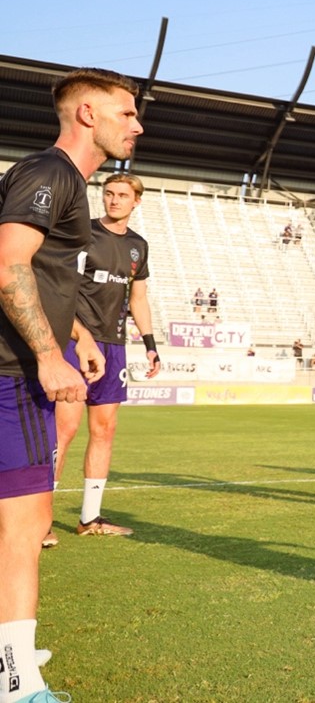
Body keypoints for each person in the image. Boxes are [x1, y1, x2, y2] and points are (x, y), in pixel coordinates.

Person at [1, 68, 134, 703]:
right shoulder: (51, 173)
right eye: (127, 112)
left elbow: (44, 274)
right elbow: (8, 264)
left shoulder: (67, 185)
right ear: (87, 114)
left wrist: (78, 333)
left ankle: (15, 651)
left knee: (19, 523)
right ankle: (17, 682)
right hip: (12, 374)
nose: (138, 124)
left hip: (21, 366)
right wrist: (49, 354)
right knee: (24, 528)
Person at [51, 173, 164, 548]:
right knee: (63, 431)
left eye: (122, 195)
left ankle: (89, 518)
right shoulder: (81, 233)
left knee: (104, 430)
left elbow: (139, 299)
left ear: (136, 202)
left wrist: (149, 344)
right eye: (109, 193)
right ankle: (40, 520)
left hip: (114, 345)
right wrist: (77, 335)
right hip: (74, 340)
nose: (113, 200)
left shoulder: (138, 246)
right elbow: (59, 288)